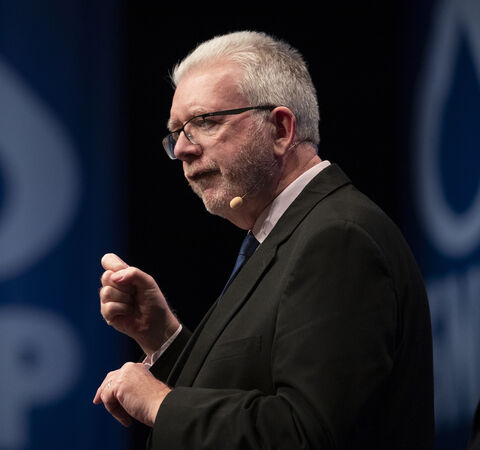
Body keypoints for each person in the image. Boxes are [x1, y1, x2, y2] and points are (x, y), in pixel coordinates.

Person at [93, 31, 434, 449]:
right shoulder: (283, 235)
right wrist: (163, 337)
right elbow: (243, 389)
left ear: (280, 129)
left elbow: (303, 432)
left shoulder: (339, 239)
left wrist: (159, 404)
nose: (181, 148)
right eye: (176, 132)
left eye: (204, 122)